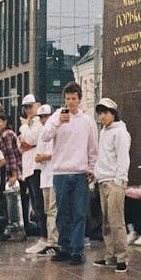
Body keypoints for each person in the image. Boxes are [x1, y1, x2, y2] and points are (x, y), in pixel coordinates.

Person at [41, 81, 98, 266]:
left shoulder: (87, 120)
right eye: (68, 99)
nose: (71, 102)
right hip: (60, 171)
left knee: (79, 212)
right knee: (62, 212)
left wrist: (91, 167)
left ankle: (77, 250)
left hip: (80, 171)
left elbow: (92, 147)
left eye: (74, 98)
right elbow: (45, 136)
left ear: (79, 100)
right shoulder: (57, 116)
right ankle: (64, 247)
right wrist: (58, 122)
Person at [92, 98, 132, 274]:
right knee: (107, 222)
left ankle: (122, 257)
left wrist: (119, 180)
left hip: (115, 182)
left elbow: (123, 158)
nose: (102, 116)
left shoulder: (120, 133)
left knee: (117, 222)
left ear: (114, 114)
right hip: (103, 180)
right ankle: (110, 255)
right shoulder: (104, 132)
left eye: (106, 113)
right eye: (100, 113)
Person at [27, 105, 55, 255]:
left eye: (46, 116)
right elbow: (37, 155)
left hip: (54, 175)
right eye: (42, 117)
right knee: (45, 209)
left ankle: (53, 241)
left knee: (53, 211)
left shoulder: (57, 130)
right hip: (44, 175)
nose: (44, 120)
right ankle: (47, 239)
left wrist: (46, 156)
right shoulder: (43, 132)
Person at [0, 113, 23, 234]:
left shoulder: (6, 135)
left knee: (17, 201)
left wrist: (14, 175)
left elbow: (11, 156)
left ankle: (19, 228)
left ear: (5, 122)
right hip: (12, 170)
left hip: (16, 170)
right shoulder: (3, 135)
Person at [18, 94, 42, 236]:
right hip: (28, 166)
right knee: (35, 203)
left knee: (39, 202)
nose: (28, 110)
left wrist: (24, 128)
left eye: (30, 106)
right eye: (26, 108)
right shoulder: (30, 123)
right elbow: (20, 145)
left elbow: (32, 139)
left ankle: (43, 233)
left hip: (35, 166)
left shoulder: (38, 122)